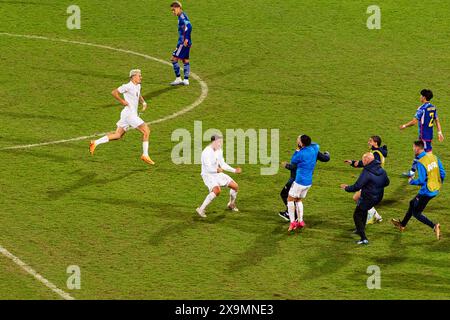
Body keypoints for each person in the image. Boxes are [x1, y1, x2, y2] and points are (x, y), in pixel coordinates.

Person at [89, 69, 154, 165]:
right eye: (139, 76)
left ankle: (95, 142)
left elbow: (138, 94)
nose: (141, 77)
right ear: (133, 77)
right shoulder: (127, 86)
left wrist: (143, 102)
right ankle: (145, 155)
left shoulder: (138, 85)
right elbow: (114, 92)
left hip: (127, 114)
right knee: (146, 131)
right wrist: (122, 101)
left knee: (118, 135)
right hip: (129, 115)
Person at [392, 141, 445, 240]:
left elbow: (421, 180)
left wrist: (412, 181)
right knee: (412, 203)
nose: (413, 149)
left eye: (413, 147)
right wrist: (438, 183)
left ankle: (434, 226)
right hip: (435, 189)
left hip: (426, 192)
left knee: (416, 213)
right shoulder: (434, 157)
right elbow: (443, 173)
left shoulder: (420, 162)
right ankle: (402, 225)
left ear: (417, 148)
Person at [340, 153, 390, 245]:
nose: (362, 161)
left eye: (363, 160)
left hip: (368, 197)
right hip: (378, 197)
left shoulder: (367, 172)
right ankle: (360, 229)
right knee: (363, 211)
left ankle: (363, 238)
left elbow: (357, 186)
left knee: (357, 215)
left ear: (367, 161)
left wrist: (346, 188)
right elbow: (387, 182)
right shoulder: (381, 169)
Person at [400, 89, 444, 177]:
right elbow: (437, 120)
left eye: (421, 96)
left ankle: (432, 174)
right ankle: (412, 172)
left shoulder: (422, 109)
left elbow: (414, 122)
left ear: (424, 97)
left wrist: (404, 126)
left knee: (428, 155)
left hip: (425, 136)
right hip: (427, 134)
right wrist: (439, 132)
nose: (420, 97)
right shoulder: (433, 107)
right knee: (417, 151)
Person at [344, 135, 387, 224]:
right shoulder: (378, 152)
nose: (368, 142)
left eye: (370, 141)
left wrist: (354, 163)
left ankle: (372, 215)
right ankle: (376, 216)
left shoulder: (376, 154)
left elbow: (367, 163)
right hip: (376, 179)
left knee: (357, 198)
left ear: (375, 143)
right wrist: (353, 162)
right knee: (358, 198)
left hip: (372, 181)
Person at [196, 135, 242, 218]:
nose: (220, 144)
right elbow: (207, 168)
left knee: (235, 186)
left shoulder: (219, 150)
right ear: (213, 142)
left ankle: (231, 204)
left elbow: (223, 164)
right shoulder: (206, 153)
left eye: (221, 142)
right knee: (217, 191)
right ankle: (201, 209)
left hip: (217, 174)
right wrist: (216, 170)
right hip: (208, 175)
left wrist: (234, 170)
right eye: (219, 142)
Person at [279, 149, 330, 221]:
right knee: (297, 198)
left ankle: (291, 214)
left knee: (286, 194)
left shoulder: (301, 153)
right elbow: (326, 158)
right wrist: (327, 154)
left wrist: (286, 165)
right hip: (307, 179)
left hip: (296, 179)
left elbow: (295, 167)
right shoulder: (314, 150)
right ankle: (297, 217)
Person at [285, 135, 319, 232]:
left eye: (298, 140)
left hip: (300, 181)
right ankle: (300, 221)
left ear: (301, 143)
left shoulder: (300, 154)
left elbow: (293, 161)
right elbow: (316, 144)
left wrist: (297, 149)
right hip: (309, 182)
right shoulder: (315, 148)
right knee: (299, 200)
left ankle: (292, 222)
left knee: (290, 199)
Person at [170, 1, 192, 86]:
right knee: (185, 60)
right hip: (187, 42)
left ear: (179, 8)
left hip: (182, 42)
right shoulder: (182, 15)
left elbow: (189, 26)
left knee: (173, 59)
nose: (173, 12)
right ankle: (186, 80)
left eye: (173, 9)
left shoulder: (182, 17)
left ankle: (178, 78)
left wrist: (186, 38)